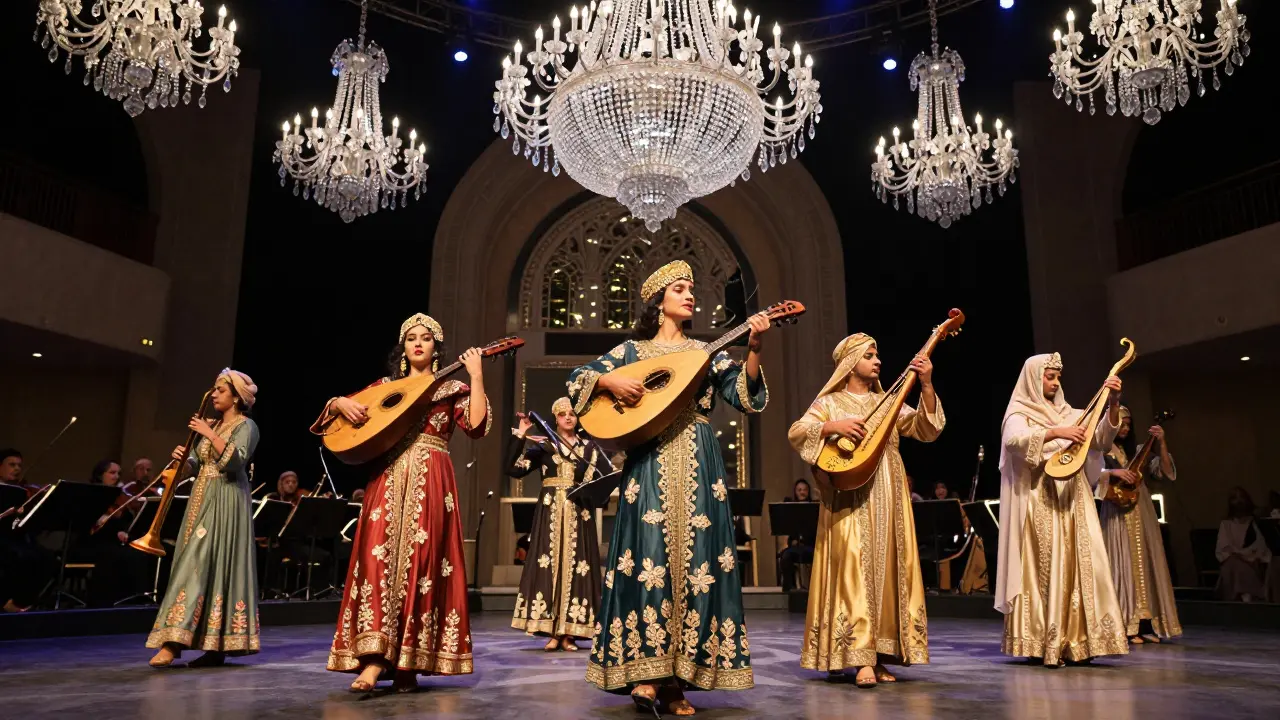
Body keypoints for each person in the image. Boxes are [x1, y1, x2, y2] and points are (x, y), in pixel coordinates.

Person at [569, 260, 770, 716]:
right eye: (679, 289)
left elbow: (743, 397)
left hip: (699, 461)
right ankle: (645, 673)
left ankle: (678, 683)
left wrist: (754, 348)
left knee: (696, 562)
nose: (689, 295)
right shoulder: (631, 352)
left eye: (691, 289)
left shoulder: (709, 351)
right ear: (659, 301)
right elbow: (577, 380)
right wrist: (608, 379)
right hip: (648, 462)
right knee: (648, 560)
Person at [316, 313, 490, 693]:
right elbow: (336, 415)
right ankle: (375, 660)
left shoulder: (451, 388)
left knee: (422, 567)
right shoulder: (385, 387)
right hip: (388, 479)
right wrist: (338, 402)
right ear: (403, 348)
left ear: (435, 348)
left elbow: (476, 427)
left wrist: (476, 375)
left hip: (431, 480)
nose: (418, 343)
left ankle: (409, 662)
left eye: (426, 338)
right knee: (378, 563)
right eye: (411, 337)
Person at [787, 334, 943, 687]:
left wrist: (927, 383)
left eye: (878, 355)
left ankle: (880, 653)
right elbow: (797, 432)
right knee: (855, 567)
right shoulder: (830, 402)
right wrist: (831, 426)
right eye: (870, 355)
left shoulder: (889, 401)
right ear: (850, 362)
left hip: (889, 491)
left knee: (887, 566)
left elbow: (927, 429)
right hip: (851, 496)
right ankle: (857, 655)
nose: (878, 361)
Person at [995, 353, 1127, 666]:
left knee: (1081, 563)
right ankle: (1044, 641)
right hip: (1041, 497)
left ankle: (1081, 640)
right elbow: (1013, 441)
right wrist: (1055, 433)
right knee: (1048, 564)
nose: (1055, 383)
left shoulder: (1073, 413)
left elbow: (1101, 442)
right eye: (1049, 377)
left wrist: (1112, 404)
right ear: (1033, 377)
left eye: (1057, 378)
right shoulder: (1020, 411)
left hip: (1074, 497)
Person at [147, 368, 261, 667]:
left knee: (206, 564)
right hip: (201, 498)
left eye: (220, 391)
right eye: (214, 390)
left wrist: (208, 433)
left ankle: (179, 645)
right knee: (194, 562)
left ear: (236, 397)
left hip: (226, 500)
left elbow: (235, 462)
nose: (213, 395)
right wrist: (182, 461)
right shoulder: (211, 427)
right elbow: (197, 465)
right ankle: (195, 642)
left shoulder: (246, 426)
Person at [506, 398, 607, 652]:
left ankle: (569, 632)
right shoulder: (545, 447)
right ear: (555, 418)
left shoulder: (589, 448)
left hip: (578, 512)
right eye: (562, 414)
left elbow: (604, 479)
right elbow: (514, 469)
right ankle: (552, 630)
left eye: (572, 413)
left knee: (577, 567)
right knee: (549, 565)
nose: (568, 418)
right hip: (550, 512)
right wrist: (521, 433)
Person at [1097, 406, 1181, 644]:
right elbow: (1092, 476)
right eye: (1121, 424)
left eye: (1127, 425)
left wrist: (1161, 443)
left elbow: (1166, 472)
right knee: (1122, 562)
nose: (1124, 429)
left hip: (1141, 509)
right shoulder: (1101, 451)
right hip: (1116, 510)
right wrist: (1114, 472)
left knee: (1146, 562)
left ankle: (1147, 623)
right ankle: (1126, 624)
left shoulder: (1137, 452)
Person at [1, 448, 58, 612]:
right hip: (2, 538)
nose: (17, 469)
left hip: (18, 538)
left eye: (19, 465)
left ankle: (24, 601)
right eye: (12, 465)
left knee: (48, 559)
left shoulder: (25, 490)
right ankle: (6, 600)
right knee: (19, 557)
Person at [1214, 487, 1270, 602]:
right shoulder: (1226, 524)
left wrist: (1248, 557)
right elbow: (1223, 549)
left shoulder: (1255, 523)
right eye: (1235, 498)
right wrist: (1238, 556)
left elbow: (1261, 547)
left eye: (1241, 497)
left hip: (1253, 562)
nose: (1239, 501)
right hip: (1232, 562)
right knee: (1233, 565)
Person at [777, 479, 816, 593]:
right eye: (799, 490)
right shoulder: (791, 507)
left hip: (811, 546)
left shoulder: (814, 507)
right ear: (795, 492)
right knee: (785, 556)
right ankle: (789, 590)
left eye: (804, 490)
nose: (802, 492)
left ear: (808, 492)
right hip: (795, 546)